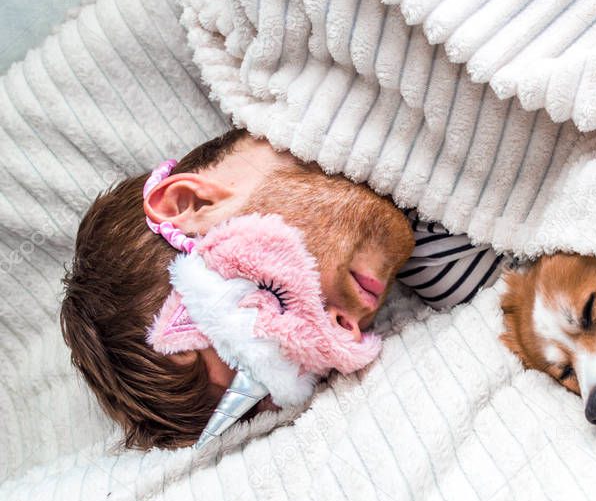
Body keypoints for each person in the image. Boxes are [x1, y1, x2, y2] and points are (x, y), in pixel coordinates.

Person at [60, 128, 503, 449]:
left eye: (273, 305)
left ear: (191, 204)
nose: (345, 332)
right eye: (309, 362)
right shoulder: (460, 271)